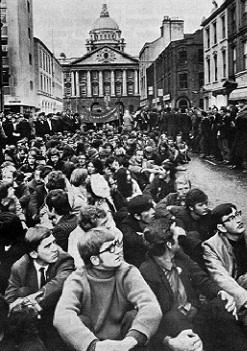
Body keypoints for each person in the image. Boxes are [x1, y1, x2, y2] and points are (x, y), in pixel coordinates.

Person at [140, 217, 247, 351]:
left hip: (196, 315)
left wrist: (222, 292)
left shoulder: (181, 257)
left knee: (222, 304)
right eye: (176, 231)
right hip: (174, 327)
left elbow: (202, 280)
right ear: (169, 244)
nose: (181, 232)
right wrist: (168, 340)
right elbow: (151, 316)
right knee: (174, 316)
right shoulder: (147, 272)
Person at [53, 226, 162, 351]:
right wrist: (93, 345)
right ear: (94, 259)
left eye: (116, 244)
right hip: (93, 342)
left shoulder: (127, 271)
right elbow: (62, 316)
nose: (118, 251)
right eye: (110, 249)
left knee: (133, 316)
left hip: (126, 340)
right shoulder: (77, 279)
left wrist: (131, 339)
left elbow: (151, 305)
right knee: (79, 321)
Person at [5, 226, 74, 351]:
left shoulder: (64, 259)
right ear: (33, 253)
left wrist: (31, 299)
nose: (54, 249)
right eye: (47, 246)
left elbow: (60, 282)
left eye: (54, 242)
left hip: (56, 318)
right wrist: (16, 306)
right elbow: (10, 299)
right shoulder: (19, 267)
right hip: (31, 324)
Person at [203, 203, 247, 314]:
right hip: (234, 293)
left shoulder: (244, 235)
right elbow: (220, 277)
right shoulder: (211, 246)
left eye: (237, 214)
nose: (238, 220)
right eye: (231, 218)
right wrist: (244, 297)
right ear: (221, 227)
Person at [118, 195, 155, 267]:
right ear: (137, 216)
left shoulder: (150, 218)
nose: (153, 211)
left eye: (152, 207)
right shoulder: (126, 229)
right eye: (147, 210)